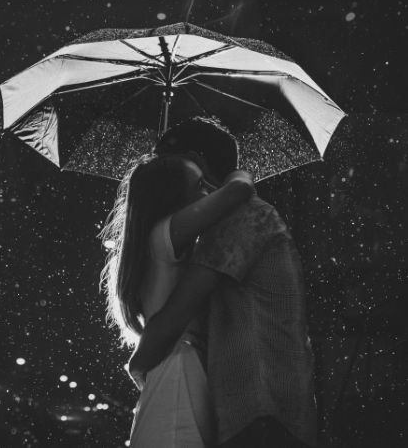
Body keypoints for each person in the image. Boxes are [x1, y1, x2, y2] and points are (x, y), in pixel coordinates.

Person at [128, 118, 318, 448]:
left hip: (258, 407)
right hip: (261, 406)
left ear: (198, 160)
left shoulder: (239, 218)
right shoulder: (196, 230)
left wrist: (140, 361)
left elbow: (174, 318)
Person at [100, 143, 256, 446]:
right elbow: (239, 190)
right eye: (200, 185)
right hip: (179, 377)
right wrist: (236, 173)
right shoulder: (164, 233)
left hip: (173, 373)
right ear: (171, 199)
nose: (209, 191)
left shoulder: (154, 241)